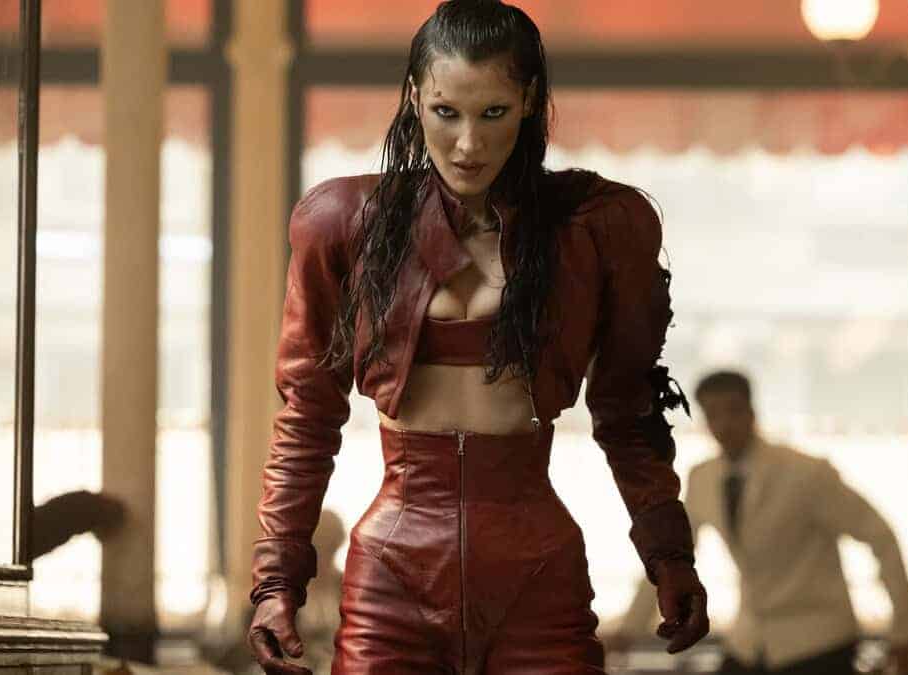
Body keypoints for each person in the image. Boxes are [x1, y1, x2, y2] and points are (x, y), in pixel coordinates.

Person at [246, 2, 709, 673]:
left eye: (493, 112)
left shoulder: (598, 228)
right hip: (392, 576)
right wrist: (275, 580)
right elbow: (307, 414)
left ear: (529, 102)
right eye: (446, 112)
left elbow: (627, 410)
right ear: (414, 99)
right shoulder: (343, 223)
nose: (468, 144)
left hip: (537, 572)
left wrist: (669, 554)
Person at [685, 370, 908, 675]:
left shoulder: (805, 473)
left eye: (733, 410)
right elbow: (670, 558)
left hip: (819, 641)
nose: (724, 424)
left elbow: (881, 537)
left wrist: (905, 629)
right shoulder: (702, 479)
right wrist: (630, 627)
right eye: (713, 414)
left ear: (751, 412)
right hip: (750, 642)